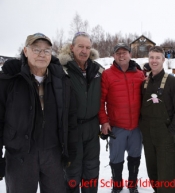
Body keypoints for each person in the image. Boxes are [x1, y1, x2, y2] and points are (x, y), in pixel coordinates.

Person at [0, 33, 78, 193]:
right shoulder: (9, 80)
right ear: (25, 51)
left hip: (53, 154)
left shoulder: (62, 81)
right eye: (36, 49)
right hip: (20, 156)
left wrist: (71, 149)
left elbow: (69, 118)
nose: (42, 54)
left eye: (46, 50)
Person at [58, 32, 104, 193]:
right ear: (72, 47)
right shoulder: (60, 69)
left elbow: (114, 84)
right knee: (72, 171)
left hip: (92, 127)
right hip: (71, 129)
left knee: (91, 169)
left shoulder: (97, 70)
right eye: (80, 47)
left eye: (88, 47)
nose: (84, 51)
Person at [99, 43, 144, 193]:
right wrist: (104, 121)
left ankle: (132, 185)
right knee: (116, 159)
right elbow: (101, 101)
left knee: (135, 157)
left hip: (136, 126)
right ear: (113, 56)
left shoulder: (139, 74)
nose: (121, 55)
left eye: (124, 52)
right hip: (117, 127)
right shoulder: (107, 74)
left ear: (130, 54)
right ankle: (117, 186)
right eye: (118, 53)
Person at [139, 46, 175, 193]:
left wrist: (171, 131)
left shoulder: (172, 82)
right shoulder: (145, 82)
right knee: (153, 172)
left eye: (157, 57)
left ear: (164, 60)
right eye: (151, 57)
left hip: (165, 135)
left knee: (166, 175)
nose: (154, 60)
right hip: (148, 134)